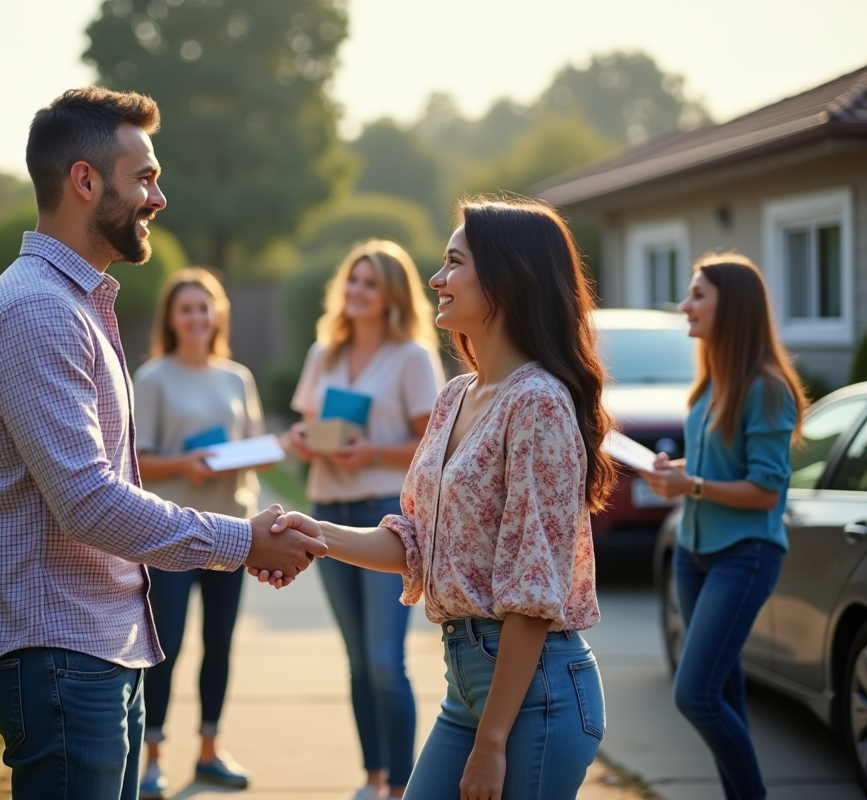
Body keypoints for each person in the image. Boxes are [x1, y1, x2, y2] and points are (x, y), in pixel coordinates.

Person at [0, 87, 326, 800]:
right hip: (57, 646)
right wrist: (242, 541)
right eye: (145, 177)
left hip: (92, 640)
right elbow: (88, 502)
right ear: (85, 182)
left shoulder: (73, 302)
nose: (159, 197)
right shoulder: (38, 310)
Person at [261, 197, 616, 799]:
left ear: (508, 276)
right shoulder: (456, 396)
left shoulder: (539, 403)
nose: (436, 279)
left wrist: (493, 742)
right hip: (467, 690)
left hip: (536, 698)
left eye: (454, 263)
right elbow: (418, 542)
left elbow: (533, 594)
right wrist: (312, 533)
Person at [640, 253, 805, 800]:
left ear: (730, 307)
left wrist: (694, 487)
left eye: (697, 295)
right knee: (723, 692)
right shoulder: (709, 385)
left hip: (745, 555)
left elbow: (766, 489)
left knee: (696, 695)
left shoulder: (767, 388)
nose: (685, 306)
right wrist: (677, 473)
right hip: (692, 553)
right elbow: (714, 468)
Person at [287, 239, 444, 800]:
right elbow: (305, 429)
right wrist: (304, 442)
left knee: (384, 659)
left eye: (370, 283)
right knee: (357, 660)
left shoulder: (411, 357)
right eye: (352, 280)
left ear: (391, 295)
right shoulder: (322, 355)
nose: (357, 291)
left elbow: (432, 445)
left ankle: (401, 787)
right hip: (328, 507)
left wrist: (372, 454)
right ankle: (372, 777)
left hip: (383, 518)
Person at [132, 269, 263, 797]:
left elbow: (257, 448)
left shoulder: (237, 377)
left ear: (217, 315)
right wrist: (187, 464)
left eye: (204, 308)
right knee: (167, 647)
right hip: (173, 534)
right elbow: (134, 463)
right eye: (185, 309)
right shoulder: (153, 378)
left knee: (219, 643)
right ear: (171, 318)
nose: (195, 318)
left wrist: (240, 461)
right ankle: (153, 757)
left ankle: (210, 750)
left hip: (232, 530)